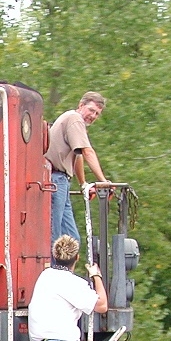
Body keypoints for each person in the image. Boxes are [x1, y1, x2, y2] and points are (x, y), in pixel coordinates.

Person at [45, 92, 111, 245]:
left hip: (62, 181)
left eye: (97, 114)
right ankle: (53, 261)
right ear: (81, 105)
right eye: (91, 110)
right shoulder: (75, 119)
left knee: (72, 239)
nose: (93, 116)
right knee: (55, 237)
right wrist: (103, 181)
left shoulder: (73, 121)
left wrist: (83, 184)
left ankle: (66, 261)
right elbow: (88, 152)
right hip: (55, 180)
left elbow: (78, 155)